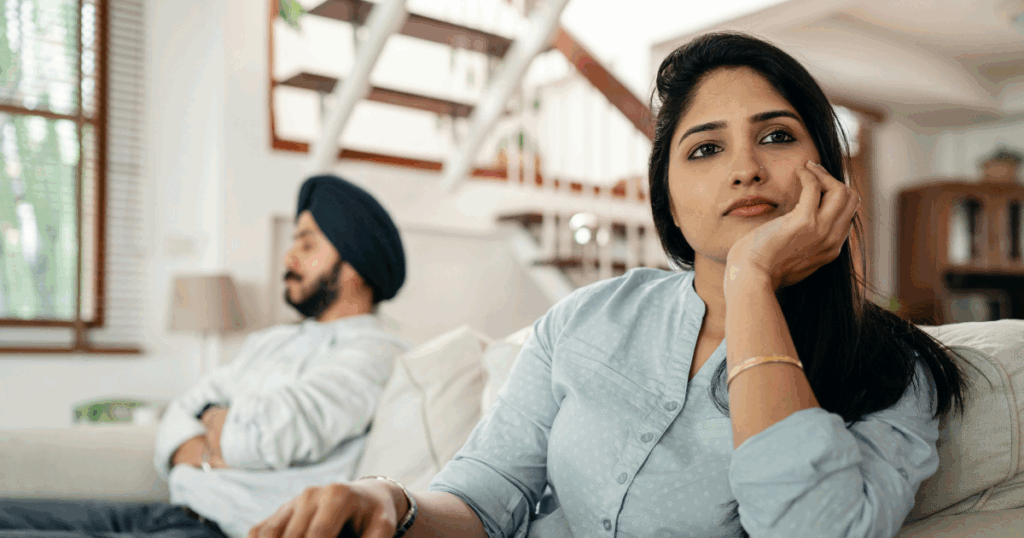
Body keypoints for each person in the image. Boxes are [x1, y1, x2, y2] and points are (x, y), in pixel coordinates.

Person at [247, 33, 970, 538]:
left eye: (777, 136)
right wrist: (387, 500)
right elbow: (488, 493)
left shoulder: (892, 369)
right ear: (671, 198)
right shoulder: (588, 318)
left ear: (828, 173)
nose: (745, 168)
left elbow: (809, 529)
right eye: (706, 147)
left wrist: (751, 279)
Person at [0, 174, 411, 538]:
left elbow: (269, 435)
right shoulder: (271, 342)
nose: (289, 258)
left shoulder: (377, 351)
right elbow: (182, 411)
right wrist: (216, 442)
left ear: (355, 265)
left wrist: (215, 428)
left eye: (307, 244)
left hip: (224, 530)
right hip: (168, 512)